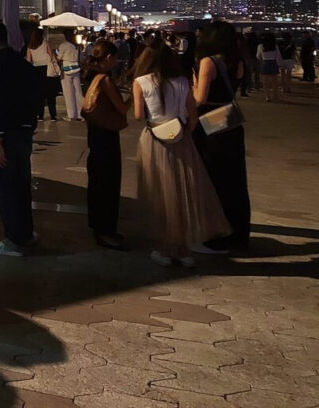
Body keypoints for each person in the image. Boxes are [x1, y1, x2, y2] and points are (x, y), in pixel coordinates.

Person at [132, 44, 229, 268]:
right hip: (182, 140)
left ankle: (164, 249)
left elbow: (138, 115)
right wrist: (182, 133)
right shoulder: (184, 82)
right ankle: (184, 250)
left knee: (160, 194)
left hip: (154, 139)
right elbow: (193, 117)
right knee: (183, 192)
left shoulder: (141, 82)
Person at [0, 20, 40, 257]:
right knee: (22, 183)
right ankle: (25, 233)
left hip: (7, 135)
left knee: (6, 187)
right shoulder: (22, 63)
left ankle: (13, 239)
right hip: (24, 131)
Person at [193, 22, 250, 253]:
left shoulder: (209, 62)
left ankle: (218, 236)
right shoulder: (237, 62)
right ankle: (238, 234)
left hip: (210, 126)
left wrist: (194, 82)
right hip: (231, 125)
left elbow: (200, 98)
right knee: (235, 181)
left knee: (215, 181)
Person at [82, 40, 130, 250]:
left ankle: (98, 227)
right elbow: (122, 109)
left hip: (95, 135)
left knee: (97, 183)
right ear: (109, 58)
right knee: (108, 184)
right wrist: (137, 97)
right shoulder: (105, 80)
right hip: (107, 137)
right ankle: (106, 231)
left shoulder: (89, 75)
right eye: (116, 58)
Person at [26, 28, 60, 121]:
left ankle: (40, 115)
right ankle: (53, 115)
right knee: (50, 93)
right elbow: (51, 55)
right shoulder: (45, 43)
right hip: (47, 69)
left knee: (39, 94)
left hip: (36, 69)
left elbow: (29, 60)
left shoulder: (30, 46)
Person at [57, 29, 84, 121]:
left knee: (68, 92)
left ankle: (72, 114)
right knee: (78, 91)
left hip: (66, 68)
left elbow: (59, 57)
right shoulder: (77, 45)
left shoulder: (63, 45)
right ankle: (81, 113)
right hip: (76, 67)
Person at [257, 31, 280, 102]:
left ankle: (267, 96)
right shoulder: (275, 46)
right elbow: (278, 56)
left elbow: (258, 56)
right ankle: (275, 95)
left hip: (265, 63)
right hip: (273, 63)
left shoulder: (261, 46)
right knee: (274, 81)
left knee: (265, 82)